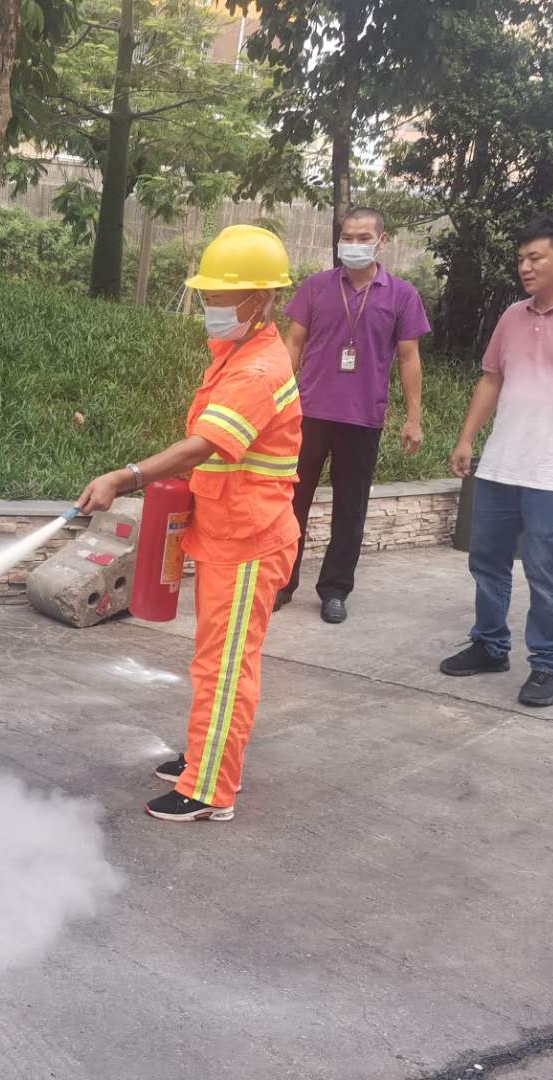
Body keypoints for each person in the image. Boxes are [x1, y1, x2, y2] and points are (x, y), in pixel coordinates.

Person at [76, 225, 302, 822]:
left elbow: (202, 445)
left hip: (251, 540)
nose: (211, 309)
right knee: (214, 660)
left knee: (225, 666)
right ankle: (208, 754)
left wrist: (125, 476)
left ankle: (210, 789)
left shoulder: (256, 371)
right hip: (230, 532)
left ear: (260, 300)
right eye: (208, 298)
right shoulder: (237, 354)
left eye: (221, 299)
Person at [440, 214, 553, 708]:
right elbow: (491, 379)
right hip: (502, 463)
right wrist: (466, 439)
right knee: (487, 561)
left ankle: (549, 665)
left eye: (535, 258)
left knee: (545, 569)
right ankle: (489, 645)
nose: (525, 267)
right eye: (521, 259)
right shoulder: (512, 316)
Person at [277, 207, 431, 623]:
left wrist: (413, 418)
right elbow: (293, 344)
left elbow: (409, 359)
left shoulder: (401, 295)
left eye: (363, 237)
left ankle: (335, 589)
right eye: (347, 236)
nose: (354, 244)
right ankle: (282, 582)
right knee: (291, 502)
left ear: (382, 241)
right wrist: (276, 400)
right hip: (308, 413)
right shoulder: (316, 287)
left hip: (363, 418)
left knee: (350, 509)